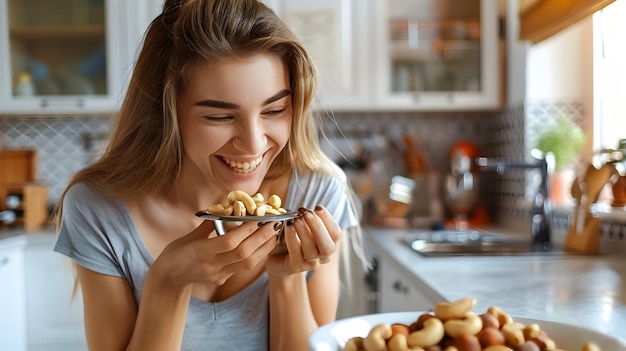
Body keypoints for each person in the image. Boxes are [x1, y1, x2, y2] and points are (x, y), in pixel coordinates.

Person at [52, 0, 369, 350]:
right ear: (166, 115)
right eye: (219, 117)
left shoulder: (315, 194)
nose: (253, 143)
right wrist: (168, 282)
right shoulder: (98, 209)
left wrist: (286, 276)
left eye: (275, 109)